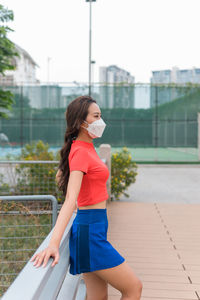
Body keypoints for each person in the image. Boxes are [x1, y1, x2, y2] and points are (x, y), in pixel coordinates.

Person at [30, 96, 143, 300]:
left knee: (98, 297)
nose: (101, 121)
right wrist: (54, 243)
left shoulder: (84, 147)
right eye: (96, 116)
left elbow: (65, 177)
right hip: (90, 231)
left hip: (95, 227)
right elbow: (71, 199)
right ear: (81, 122)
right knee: (133, 287)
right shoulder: (80, 151)